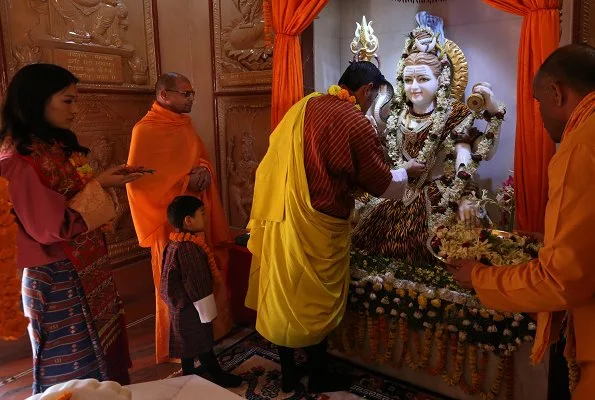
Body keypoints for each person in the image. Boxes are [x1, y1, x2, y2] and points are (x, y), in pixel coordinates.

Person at [245, 61, 426, 393]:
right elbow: (381, 183)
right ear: (367, 90)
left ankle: (287, 372)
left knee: (285, 294)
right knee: (313, 300)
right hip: (317, 224)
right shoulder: (354, 121)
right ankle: (317, 375)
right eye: (375, 98)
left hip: (282, 214)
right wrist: (407, 171)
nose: (374, 106)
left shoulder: (304, 105)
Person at [446, 44, 595, 400]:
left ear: (557, 92)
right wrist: (549, 240)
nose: (540, 115)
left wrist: (479, 277)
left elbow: (564, 280)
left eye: (539, 102)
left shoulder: (581, 145)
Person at [0, 64, 145, 393]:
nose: (75, 110)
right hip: (56, 275)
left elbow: (71, 197)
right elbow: (51, 227)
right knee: (70, 365)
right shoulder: (17, 161)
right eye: (68, 101)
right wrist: (101, 185)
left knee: (99, 358)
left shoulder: (52, 147)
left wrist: (103, 180)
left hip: (84, 266)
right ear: (37, 100)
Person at [127, 72, 233, 364]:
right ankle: (182, 349)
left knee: (202, 278)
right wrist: (186, 180)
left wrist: (203, 171)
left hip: (196, 215)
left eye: (192, 93)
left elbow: (199, 158)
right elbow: (140, 184)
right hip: (168, 222)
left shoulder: (184, 124)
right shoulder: (144, 131)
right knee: (179, 289)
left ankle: (211, 333)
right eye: (185, 94)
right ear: (164, 95)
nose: (191, 98)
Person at [160, 195, 242, 388]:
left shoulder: (175, 243)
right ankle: (218, 376)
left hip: (180, 305)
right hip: (191, 306)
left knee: (188, 344)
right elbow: (196, 283)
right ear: (188, 220)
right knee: (202, 342)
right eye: (202, 214)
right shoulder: (188, 248)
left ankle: (188, 374)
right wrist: (206, 311)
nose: (206, 218)